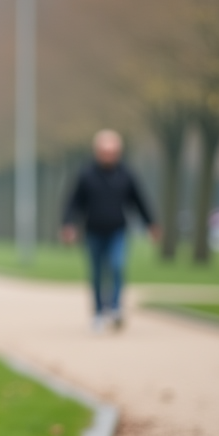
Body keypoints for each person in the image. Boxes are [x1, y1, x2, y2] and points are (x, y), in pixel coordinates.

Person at [61, 129, 160, 331]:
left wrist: (151, 223)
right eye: (105, 151)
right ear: (97, 151)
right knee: (97, 274)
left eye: (112, 151)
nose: (108, 155)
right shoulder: (86, 174)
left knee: (116, 266)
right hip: (93, 231)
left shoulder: (126, 174)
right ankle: (98, 312)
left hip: (118, 231)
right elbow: (73, 202)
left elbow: (139, 200)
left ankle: (114, 308)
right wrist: (68, 224)